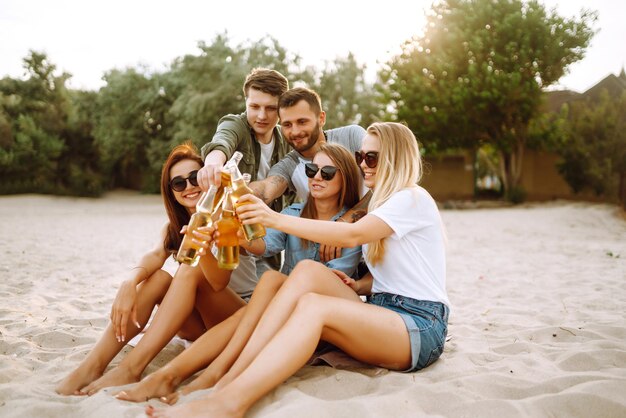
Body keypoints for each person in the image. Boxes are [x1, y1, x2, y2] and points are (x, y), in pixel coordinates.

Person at [146, 122, 450, 418]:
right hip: (384, 311)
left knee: (314, 307)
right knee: (304, 271)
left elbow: (352, 235)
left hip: (419, 325)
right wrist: (359, 286)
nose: (364, 164)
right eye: (361, 157)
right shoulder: (382, 206)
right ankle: (225, 381)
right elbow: (401, 272)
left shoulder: (412, 198)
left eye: (371, 157)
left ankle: (230, 401)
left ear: (396, 158)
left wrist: (272, 218)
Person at [115, 143, 363, 403]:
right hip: (277, 309)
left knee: (267, 284)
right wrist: (232, 233)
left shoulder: (355, 223)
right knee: (260, 293)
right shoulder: (292, 213)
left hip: (320, 318)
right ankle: (173, 376)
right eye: (311, 170)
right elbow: (261, 245)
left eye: (327, 172)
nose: (316, 177)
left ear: (345, 176)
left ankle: (201, 376)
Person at [55, 143, 254, 396]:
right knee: (159, 277)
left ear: (206, 176)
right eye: (179, 183)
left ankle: (131, 368)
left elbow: (218, 283)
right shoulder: (174, 228)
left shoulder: (230, 215)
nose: (189, 187)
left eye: (194, 177)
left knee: (189, 269)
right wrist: (129, 282)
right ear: (171, 192)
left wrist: (200, 246)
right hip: (196, 327)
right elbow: (155, 255)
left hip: (235, 316)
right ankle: (92, 366)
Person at [197, 67, 290, 273]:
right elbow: (222, 140)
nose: (261, 115)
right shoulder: (236, 124)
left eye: (271, 108)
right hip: (228, 239)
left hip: (266, 244)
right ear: (245, 102)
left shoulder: (286, 142)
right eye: (254, 106)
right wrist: (213, 163)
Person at [249, 87, 366, 205]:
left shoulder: (352, 136)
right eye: (287, 124)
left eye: (302, 122)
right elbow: (265, 189)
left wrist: (351, 216)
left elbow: (384, 176)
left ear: (321, 118)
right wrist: (239, 192)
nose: (295, 132)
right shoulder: (288, 166)